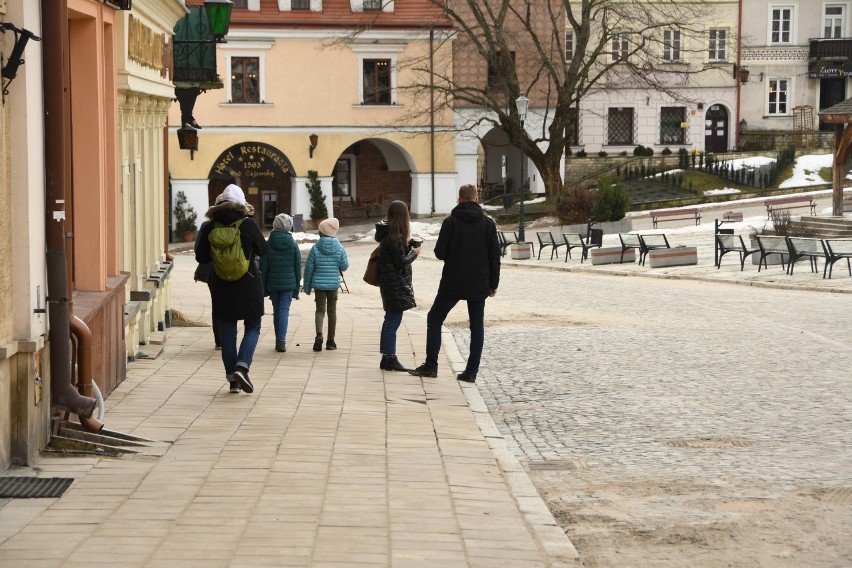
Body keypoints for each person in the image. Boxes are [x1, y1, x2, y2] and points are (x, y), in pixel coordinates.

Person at [409, 184, 501, 383]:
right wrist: (493, 283)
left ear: (459, 199)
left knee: (435, 318)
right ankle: (471, 372)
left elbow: (440, 252)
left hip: (453, 280)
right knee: (477, 326)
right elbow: (495, 256)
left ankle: (431, 365)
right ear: (477, 199)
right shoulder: (487, 224)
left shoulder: (450, 222)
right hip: (479, 280)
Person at [195, 184, 267, 393]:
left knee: (227, 332)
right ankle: (242, 367)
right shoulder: (247, 224)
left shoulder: (210, 227)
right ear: (241, 204)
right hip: (248, 282)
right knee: (253, 326)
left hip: (221, 284)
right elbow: (263, 249)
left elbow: (201, 256)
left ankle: (232, 380)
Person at [375, 201, 420, 372]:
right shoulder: (394, 237)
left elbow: (395, 257)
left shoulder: (389, 235)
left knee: (391, 319)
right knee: (392, 320)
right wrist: (414, 253)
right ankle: (390, 357)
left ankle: (387, 358)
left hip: (390, 284)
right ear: (403, 216)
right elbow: (400, 261)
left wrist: (408, 246)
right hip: (394, 285)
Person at [303, 218, 349, 352]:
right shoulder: (340, 247)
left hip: (319, 286)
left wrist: (307, 287)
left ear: (322, 233)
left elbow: (309, 268)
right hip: (333, 285)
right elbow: (344, 266)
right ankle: (331, 341)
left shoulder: (315, 248)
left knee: (320, 311)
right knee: (332, 312)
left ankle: (319, 335)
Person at [260, 213, 301, 353]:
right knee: (284, 311)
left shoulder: (268, 244)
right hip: (289, 284)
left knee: (276, 311)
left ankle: (278, 339)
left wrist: (264, 288)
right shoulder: (293, 245)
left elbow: (263, 268)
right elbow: (297, 268)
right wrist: (296, 289)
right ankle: (281, 340)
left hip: (273, 283)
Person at [193, 192, 226, 350]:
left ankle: (219, 340)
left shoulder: (207, 226)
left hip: (213, 271)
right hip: (236, 269)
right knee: (232, 301)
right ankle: (230, 337)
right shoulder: (241, 224)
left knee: (217, 303)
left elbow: (199, 253)